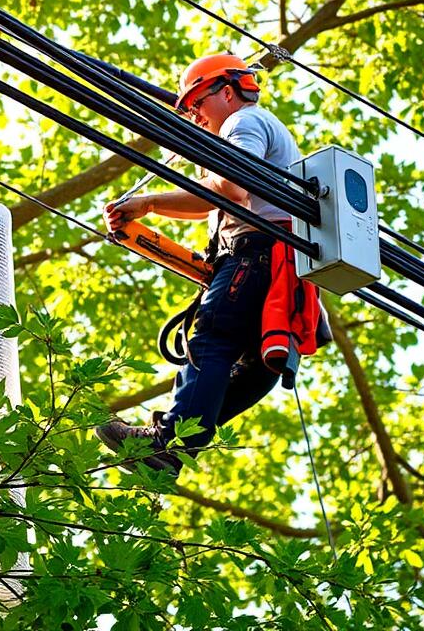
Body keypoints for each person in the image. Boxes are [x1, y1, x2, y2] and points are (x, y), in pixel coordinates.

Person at [96, 52, 302, 475]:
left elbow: (231, 188)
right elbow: (220, 194)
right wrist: (149, 205)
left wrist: (150, 201)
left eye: (196, 104)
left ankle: (169, 440)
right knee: (253, 368)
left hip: (255, 254)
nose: (194, 117)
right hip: (278, 262)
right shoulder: (251, 130)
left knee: (212, 338)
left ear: (227, 92)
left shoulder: (242, 122)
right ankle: (180, 440)